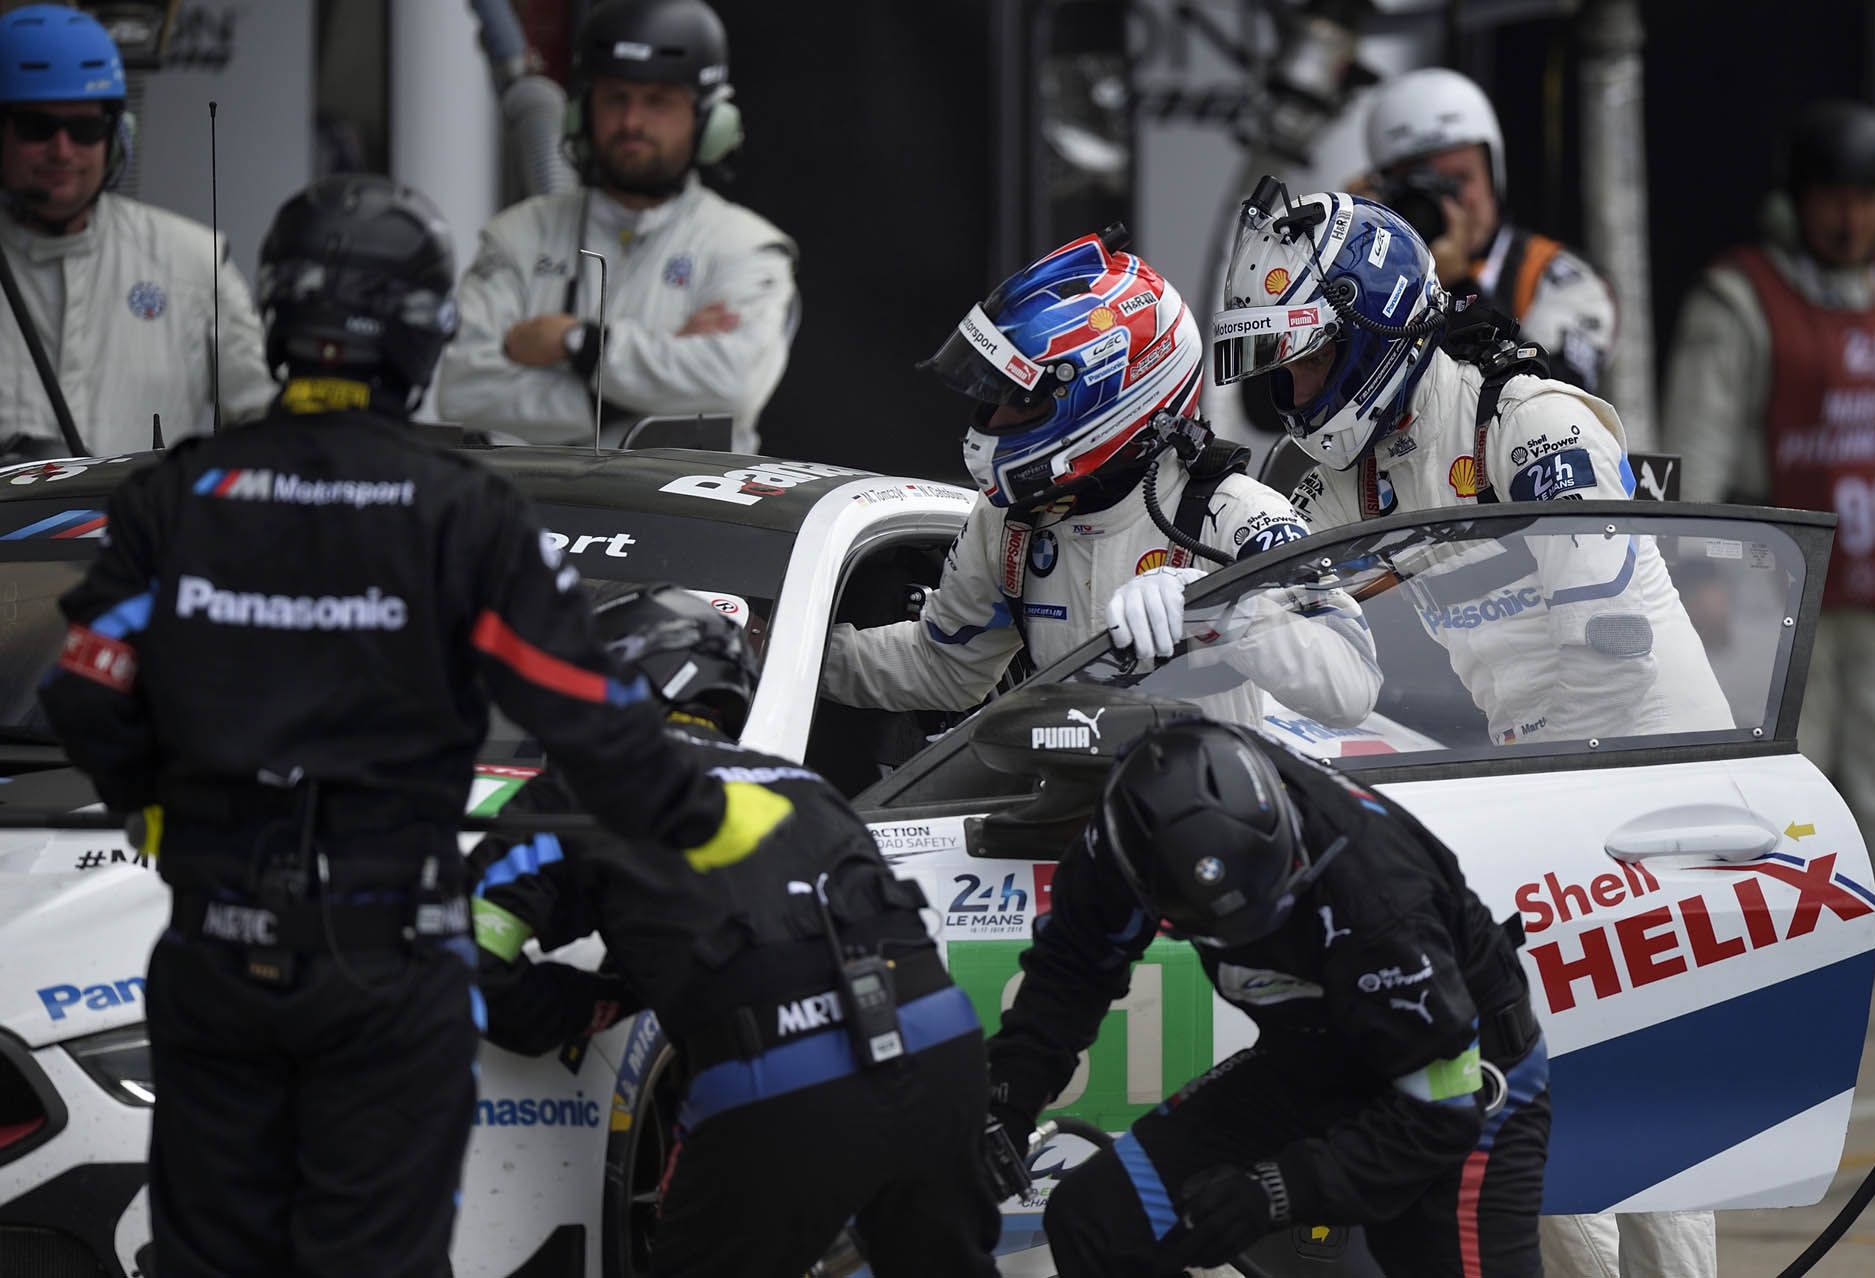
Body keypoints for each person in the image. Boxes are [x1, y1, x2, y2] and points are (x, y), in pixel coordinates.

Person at [37, 174, 794, 1278]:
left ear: (278, 313)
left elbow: (83, 690)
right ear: (426, 331)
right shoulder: (463, 509)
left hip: (214, 946)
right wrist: (709, 823)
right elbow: (590, 710)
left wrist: (154, 807)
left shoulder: (179, 495)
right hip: (385, 959)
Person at [1213, 181, 1721, 1276]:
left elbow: (1612, 648)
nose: (1292, 392)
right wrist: (1212, 601)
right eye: (1280, 369)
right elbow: (1321, 657)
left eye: (1307, 360)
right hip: (1525, 793)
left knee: (1649, 1145)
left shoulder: (1528, 419)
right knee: (1543, 1128)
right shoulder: (1350, 471)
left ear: (1370, 330)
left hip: (1652, 790)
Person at [470, 583, 1000, 1276]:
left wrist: (585, 1004)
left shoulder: (582, 784)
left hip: (782, 1071)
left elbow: (465, 955)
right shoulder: (802, 785)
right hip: (939, 1045)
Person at [987, 719, 1549, 1276]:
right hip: (1312, 1055)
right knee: (1099, 1221)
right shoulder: (1127, 838)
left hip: (1455, 1080)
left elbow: (1443, 1113)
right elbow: (1073, 966)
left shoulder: (1378, 899)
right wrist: (1010, 1099)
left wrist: (1279, 1190)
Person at [822, 225, 1380, 731]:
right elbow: (942, 666)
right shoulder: (1008, 521)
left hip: (1207, 804)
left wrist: (1222, 606)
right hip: (1060, 805)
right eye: (992, 398)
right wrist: (791, 651)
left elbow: (1353, 689)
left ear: (1112, 399)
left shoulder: (1239, 514)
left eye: (1020, 401)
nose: (993, 421)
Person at [1663, 98, 1875, 1027]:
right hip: (1775, 600)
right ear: (1794, 204)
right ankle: (1769, 977)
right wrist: (1698, 576)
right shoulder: (1740, 300)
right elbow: (1695, 445)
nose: (1849, 218)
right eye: (1831, 198)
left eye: (1866, 199)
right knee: (1779, 795)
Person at [437, 0, 797, 452]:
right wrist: (642, 389)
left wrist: (577, 343)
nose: (631, 122)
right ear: (583, 111)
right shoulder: (517, 236)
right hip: (535, 498)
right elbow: (461, 391)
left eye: (658, 102)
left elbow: (734, 386)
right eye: (615, 98)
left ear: (708, 121)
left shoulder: (747, 248)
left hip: (681, 500)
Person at [0, 4, 273, 455]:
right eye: (37, 127)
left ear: (116, 135)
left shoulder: (194, 262)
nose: (62, 150)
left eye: (85, 128)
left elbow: (269, 421)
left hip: (150, 507)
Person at [1363, 66, 1615, 392]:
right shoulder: (1372, 271)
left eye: (1457, 179)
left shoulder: (1556, 275)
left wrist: (1458, 290)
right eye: (1417, 187)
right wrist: (1355, 237)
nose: (1445, 203)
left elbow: (1559, 393)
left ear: (1493, 174)